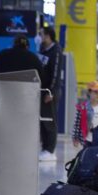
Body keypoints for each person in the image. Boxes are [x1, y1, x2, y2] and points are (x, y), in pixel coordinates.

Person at [38, 26, 63, 161]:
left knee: (50, 120)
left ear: (48, 36)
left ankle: (50, 149)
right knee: (42, 120)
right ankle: (44, 147)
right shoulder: (42, 49)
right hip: (41, 90)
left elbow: (55, 73)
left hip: (50, 92)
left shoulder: (56, 51)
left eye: (41, 34)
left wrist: (51, 91)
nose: (40, 37)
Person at [72, 81, 98, 147]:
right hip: (88, 139)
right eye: (95, 92)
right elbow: (77, 124)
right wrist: (75, 138)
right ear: (89, 92)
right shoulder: (83, 107)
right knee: (88, 155)